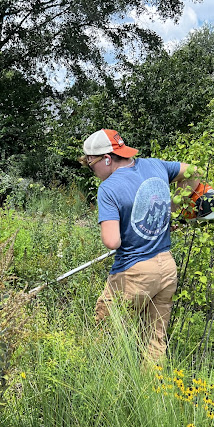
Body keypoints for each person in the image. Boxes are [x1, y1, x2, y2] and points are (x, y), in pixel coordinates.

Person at [80, 128, 204, 360]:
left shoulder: (108, 188)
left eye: (91, 163)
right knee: (155, 341)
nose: (92, 169)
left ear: (107, 158)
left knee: (106, 337)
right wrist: (174, 208)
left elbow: (112, 241)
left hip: (133, 273)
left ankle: (105, 389)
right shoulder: (155, 165)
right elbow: (194, 172)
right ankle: (153, 390)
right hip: (166, 268)